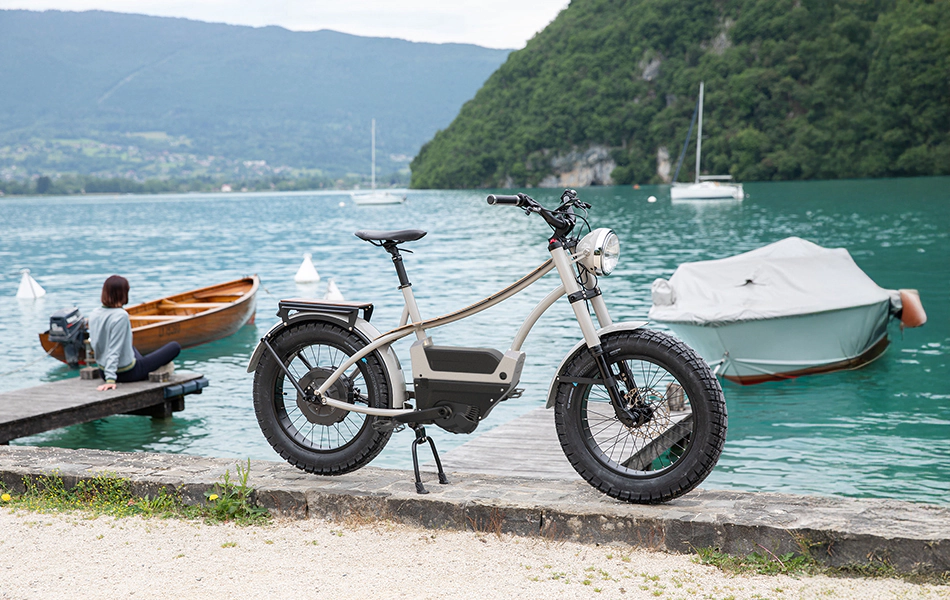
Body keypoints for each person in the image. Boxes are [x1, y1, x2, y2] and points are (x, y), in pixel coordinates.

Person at [88, 275, 181, 392]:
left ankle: (142, 365)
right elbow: (114, 350)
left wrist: (106, 373)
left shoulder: (94, 313)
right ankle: (146, 369)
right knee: (174, 347)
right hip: (126, 373)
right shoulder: (121, 316)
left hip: (103, 371)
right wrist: (110, 379)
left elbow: (96, 344)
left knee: (129, 346)